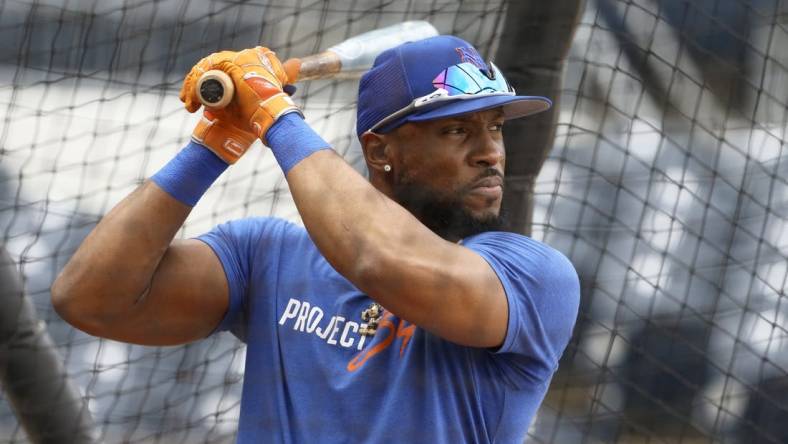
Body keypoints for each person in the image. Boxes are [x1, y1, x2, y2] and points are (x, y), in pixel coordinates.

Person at [52, 35, 580, 443]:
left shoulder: (531, 277)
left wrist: (276, 116)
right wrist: (216, 141)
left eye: (496, 126)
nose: (491, 152)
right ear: (379, 154)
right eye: (458, 131)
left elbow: (377, 258)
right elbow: (89, 298)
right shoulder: (267, 256)